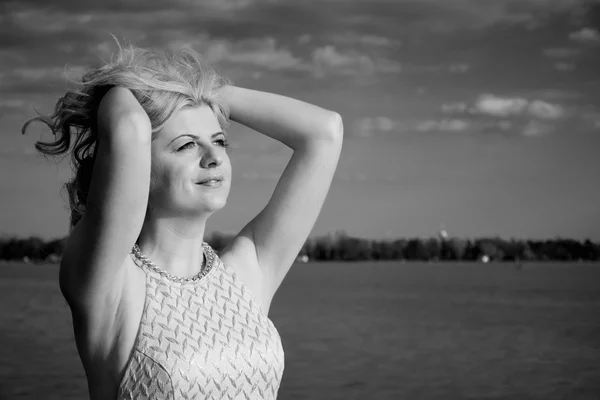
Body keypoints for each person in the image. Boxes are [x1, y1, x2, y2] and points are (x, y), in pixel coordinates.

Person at [22, 42, 343, 399]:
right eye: (187, 145)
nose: (213, 158)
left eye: (219, 141)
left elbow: (324, 132)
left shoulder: (246, 274)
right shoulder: (108, 283)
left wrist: (198, 90)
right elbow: (128, 124)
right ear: (138, 165)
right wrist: (138, 85)